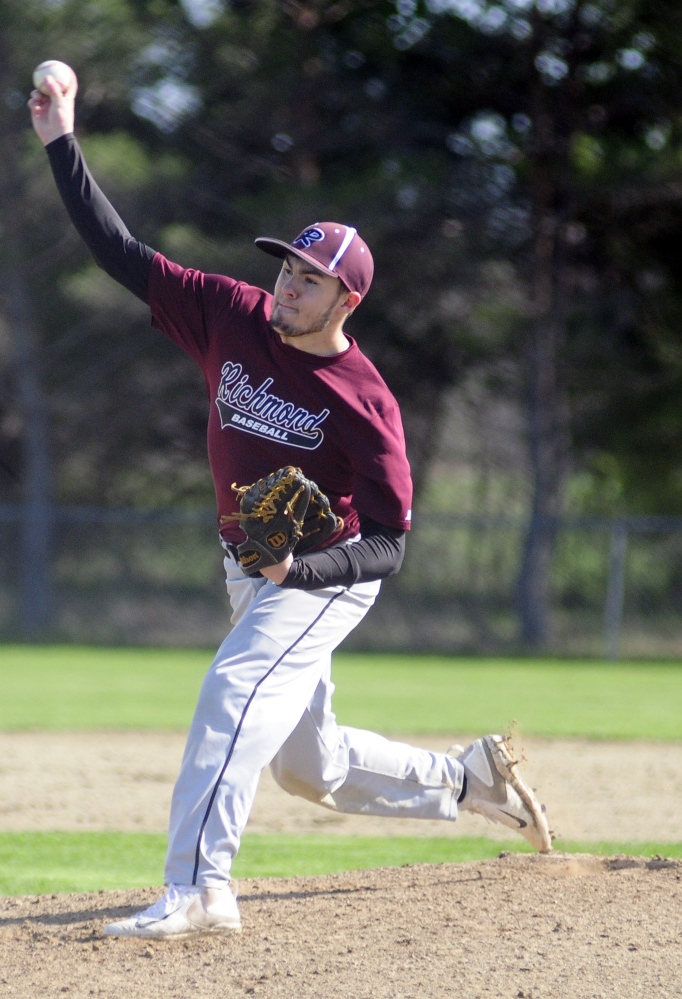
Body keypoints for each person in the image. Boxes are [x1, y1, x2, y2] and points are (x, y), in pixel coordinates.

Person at [28, 71, 552, 941]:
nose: (288, 286)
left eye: (310, 279)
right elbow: (120, 254)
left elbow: (389, 543)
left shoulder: (364, 398)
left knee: (233, 694)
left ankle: (200, 887)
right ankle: (469, 781)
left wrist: (301, 570)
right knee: (310, 768)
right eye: (289, 267)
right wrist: (61, 142)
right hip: (252, 566)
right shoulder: (231, 316)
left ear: (347, 299)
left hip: (326, 576)